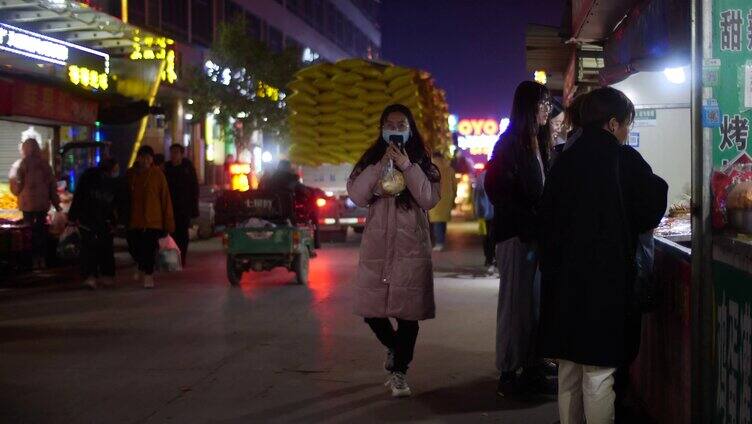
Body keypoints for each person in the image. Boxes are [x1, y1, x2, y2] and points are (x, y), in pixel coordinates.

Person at [538, 87, 668, 424]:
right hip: (605, 285)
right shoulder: (623, 159)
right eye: (626, 125)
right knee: (598, 375)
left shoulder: (563, 160)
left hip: (563, 283)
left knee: (569, 372)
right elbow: (652, 205)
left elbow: (546, 220)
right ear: (612, 124)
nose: (627, 132)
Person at [347, 104, 441, 398]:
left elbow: (427, 199)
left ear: (411, 128)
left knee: (408, 315)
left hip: (411, 247)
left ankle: (399, 372)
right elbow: (357, 195)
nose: (396, 129)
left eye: (402, 125)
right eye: (390, 124)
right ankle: (393, 346)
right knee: (371, 311)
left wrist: (407, 166)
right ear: (381, 127)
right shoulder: (372, 158)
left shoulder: (423, 161)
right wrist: (380, 166)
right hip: (378, 246)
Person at [485, 80, 553, 397]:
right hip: (516, 238)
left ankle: (531, 365)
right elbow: (497, 191)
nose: (548, 109)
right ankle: (508, 372)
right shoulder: (509, 145)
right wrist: (527, 218)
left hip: (535, 238)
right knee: (515, 307)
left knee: (533, 307)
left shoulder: (539, 143)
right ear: (528, 108)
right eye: (542, 103)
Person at [68, 158, 121, 289]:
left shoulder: (89, 176)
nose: (116, 172)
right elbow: (114, 203)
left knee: (90, 248)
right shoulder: (108, 181)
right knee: (102, 248)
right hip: (96, 219)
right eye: (115, 169)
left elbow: (78, 196)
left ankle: (91, 277)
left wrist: (73, 216)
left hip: (90, 219)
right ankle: (103, 276)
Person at [127, 145, 175, 288]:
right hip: (134, 220)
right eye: (143, 157)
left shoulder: (158, 175)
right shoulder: (130, 175)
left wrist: (168, 222)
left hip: (153, 221)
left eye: (148, 157)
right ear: (138, 158)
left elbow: (165, 198)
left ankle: (148, 275)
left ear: (152, 159)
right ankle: (141, 266)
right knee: (134, 247)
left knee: (148, 249)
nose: (146, 160)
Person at [10, 138, 61, 269]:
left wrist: (16, 191)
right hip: (42, 204)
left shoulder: (23, 164)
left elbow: (18, 186)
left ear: (25, 149)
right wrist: (56, 204)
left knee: (29, 231)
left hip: (26, 205)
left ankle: (30, 260)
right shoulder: (45, 165)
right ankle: (41, 259)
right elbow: (52, 186)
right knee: (41, 231)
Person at [164, 144, 199, 267]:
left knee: (183, 234)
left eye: (176, 152)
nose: (173, 155)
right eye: (172, 152)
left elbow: (194, 188)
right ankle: (172, 259)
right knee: (171, 233)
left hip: (184, 208)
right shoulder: (166, 168)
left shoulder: (187, 168)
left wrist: (194, 208)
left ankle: (181, 257)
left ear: (181, 154)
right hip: (170, 208)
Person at [428, 151, 456, 251]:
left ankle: (439, 243)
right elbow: (454, 185)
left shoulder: (430, 168)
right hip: (447, 197)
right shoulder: (449, 169)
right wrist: (453, 198)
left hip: (434, 196)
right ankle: (441, 241)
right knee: (442, 221)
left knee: (436, 221)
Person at [473, 169, 495, 271]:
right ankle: (493, 257)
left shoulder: (481, 177)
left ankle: (488, 258)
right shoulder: (499, 174)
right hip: (495, 212)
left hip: (483, 212)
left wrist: (476, 211)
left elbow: (476, 196)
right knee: (493, 235)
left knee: (486, 235)